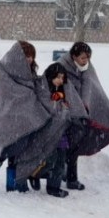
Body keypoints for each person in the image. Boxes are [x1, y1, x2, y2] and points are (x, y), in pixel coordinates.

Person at [0, 41, 69, 193]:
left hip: (24, 118)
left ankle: (12, 183)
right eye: (27, 56)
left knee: (19, 149)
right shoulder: (5, 70)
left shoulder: (29, 71)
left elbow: (34, 89)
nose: (29, 59)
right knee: (6, 146)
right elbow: (2, 95)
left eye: (31, 56)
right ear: (18, 56)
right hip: (7, 117)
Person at [56, 42, 109, 190]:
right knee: (67, 146)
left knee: (73, 145)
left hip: (82, 115)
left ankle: (66, 174)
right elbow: (61, 89)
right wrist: (73, 106)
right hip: (66, 114)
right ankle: (68, 177)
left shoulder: (87, 66)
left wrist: (85, 104)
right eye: (82, 58)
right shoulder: (61, 66)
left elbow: (90, 84)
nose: (85, 61)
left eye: (87, 58)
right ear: (73, 56)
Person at [28, 62, 89, 198]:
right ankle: (34, 174)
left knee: (60, 159)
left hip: (61, 133)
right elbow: (48, 109)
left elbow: (69, 107)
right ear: (51, 76)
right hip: (47, 133)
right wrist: (62, 108)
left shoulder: (63, 91)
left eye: (63, 78)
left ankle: (53, 187)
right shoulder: (43, 89)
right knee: (50, 160)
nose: (61, 80)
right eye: (58, 77)